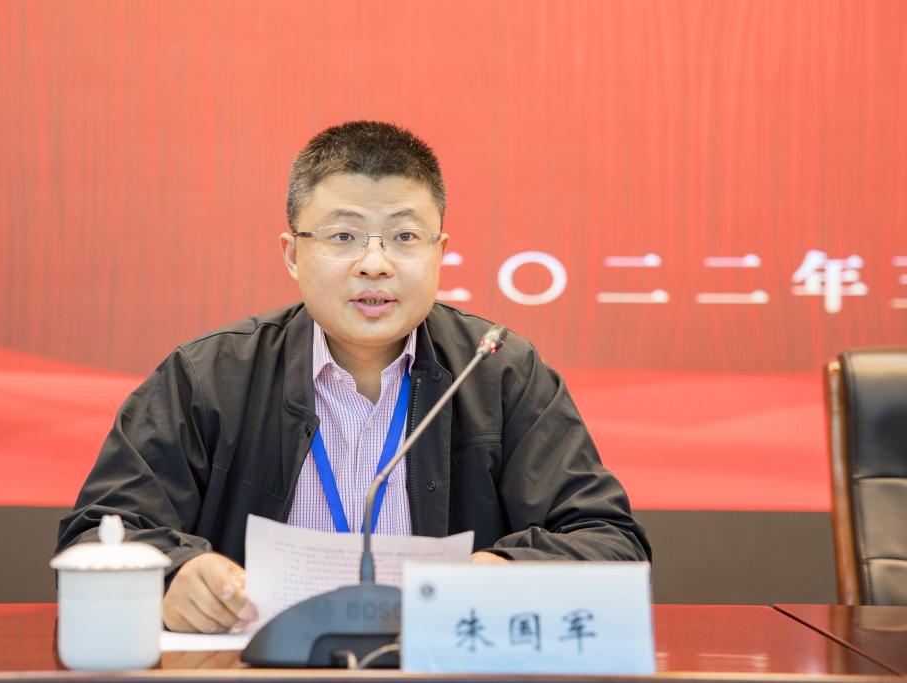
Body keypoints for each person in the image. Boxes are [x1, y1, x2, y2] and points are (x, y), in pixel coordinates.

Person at [56, 121, 650, 634]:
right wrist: (174, 574)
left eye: (405, 237)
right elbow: (96, 536)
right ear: (293, 254)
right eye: (343, 236)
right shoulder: (208, 377)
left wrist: (503, 575)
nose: (375, 263)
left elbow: (611, 543)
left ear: (440, 251)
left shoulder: (498, 371)